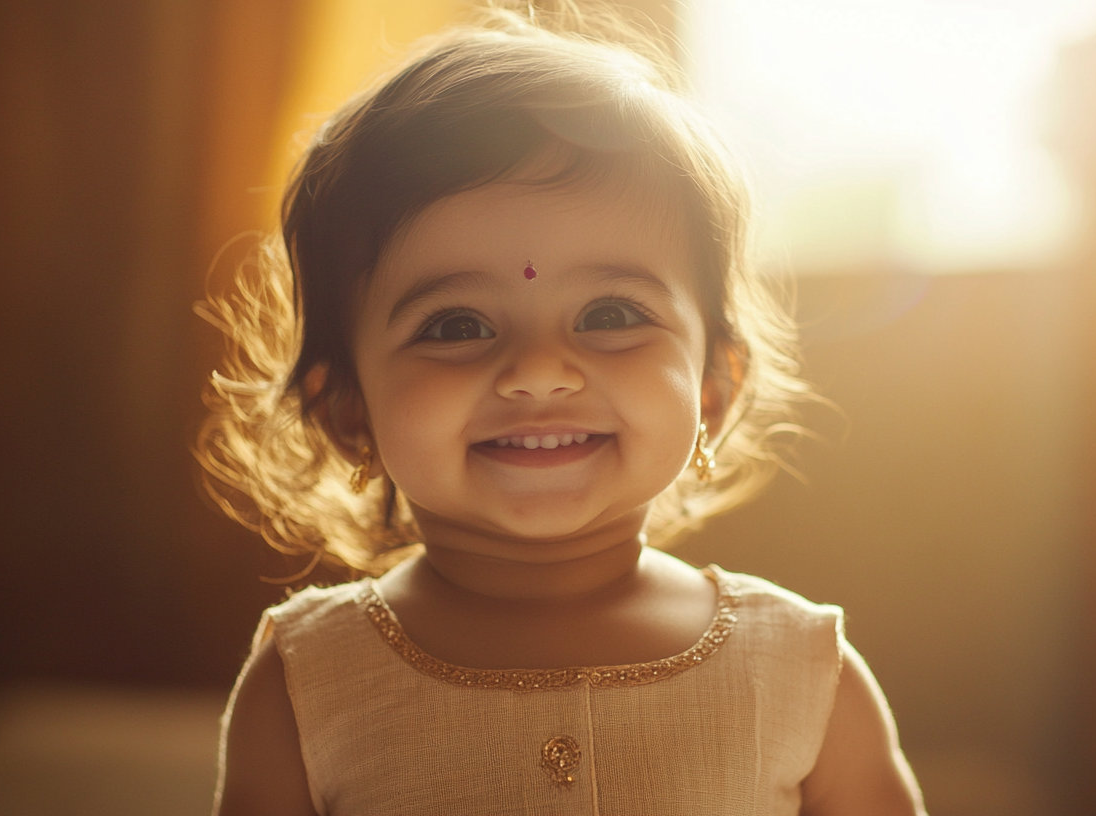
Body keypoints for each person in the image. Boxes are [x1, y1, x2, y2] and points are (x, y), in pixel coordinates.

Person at [203, 4, 925, 814]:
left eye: (611, 315)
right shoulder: (306, 684)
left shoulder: (799, 669)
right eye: (456, 326)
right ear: (347, 410)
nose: (540, 371)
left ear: (713, 388)